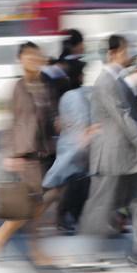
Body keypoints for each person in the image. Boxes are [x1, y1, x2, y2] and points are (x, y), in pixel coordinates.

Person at [78, 35, 137, 269]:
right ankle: (86, 253)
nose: (129, 54)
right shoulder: (106, 82)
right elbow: (123, 119)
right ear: (113, 53)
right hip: (111, 155)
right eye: (125, 50)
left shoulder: (117, 80)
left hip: (129, 154)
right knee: (100, 205)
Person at [0, 42, 59, 266]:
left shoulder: (47, 84)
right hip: (25, 154)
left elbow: (54, 116)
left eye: (37, 55)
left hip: (45, 151)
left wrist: (74, 128)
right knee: (38, 200)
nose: (34, 59)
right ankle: (34, 250)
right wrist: (10, 154)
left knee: (38, 202)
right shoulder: (18, 87)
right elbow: (11, 122)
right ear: (20, 60)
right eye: (29, 56)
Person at [43, 60, 98, 234]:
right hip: (75, 148)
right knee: (62, 186)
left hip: (69, 145)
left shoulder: (68, 95)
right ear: (79, 75)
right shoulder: (75, 96)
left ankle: (60, 219)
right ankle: (38, 217)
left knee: (62, 185)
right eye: (83, 73)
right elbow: (83, 124)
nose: (85, 76)